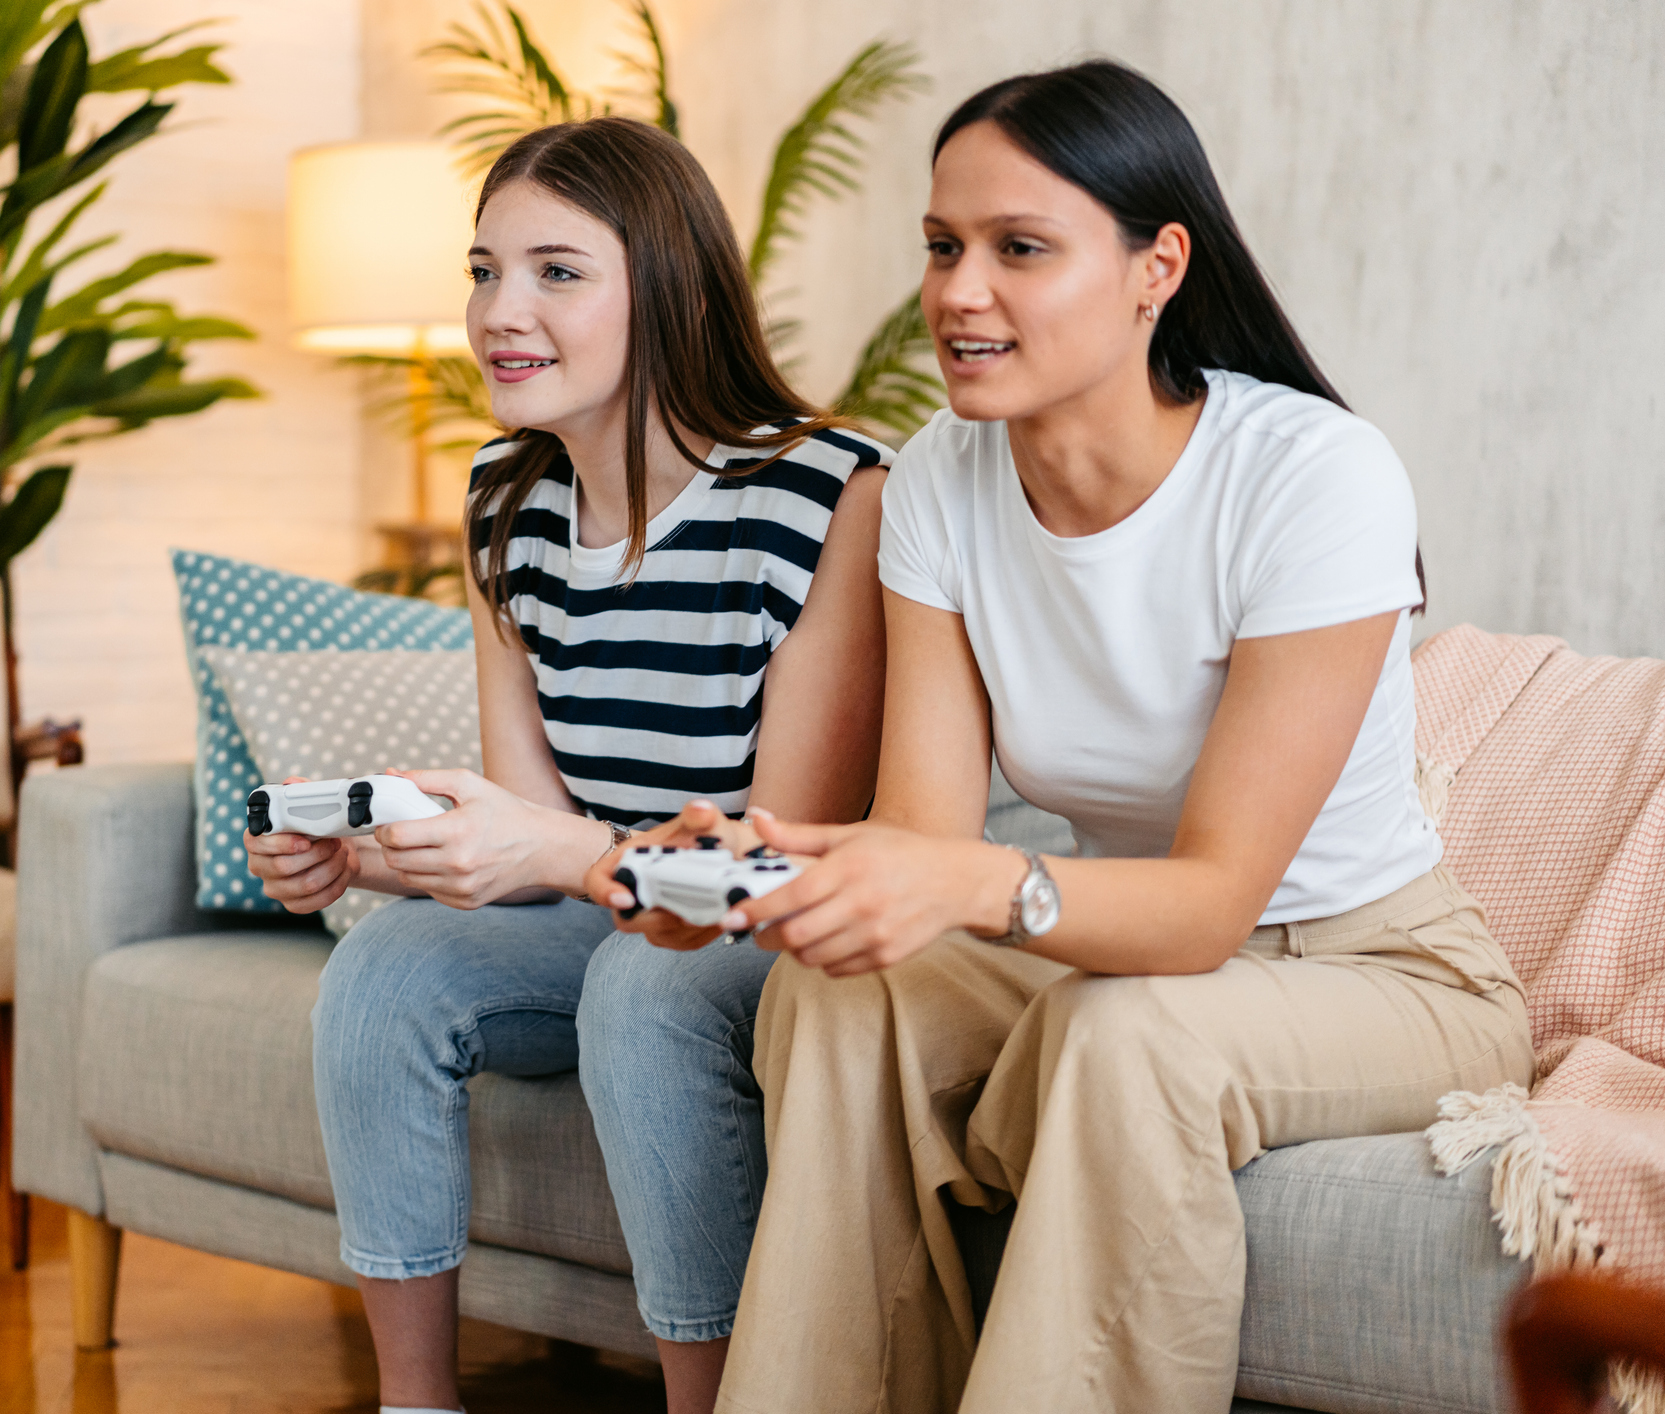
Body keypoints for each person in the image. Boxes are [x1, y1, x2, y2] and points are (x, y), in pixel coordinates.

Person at [587, 61, 1534, 1414]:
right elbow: (924, 841)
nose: (958, 292)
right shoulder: (933, 483)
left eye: (1017, 250)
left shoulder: (1312, 475)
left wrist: (969, 886)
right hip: (1106, 948)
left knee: (1126, 1036)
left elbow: (1209, 906)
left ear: (1156, 266)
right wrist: (763, 875)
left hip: (1375, 972)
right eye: (941, 247)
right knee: (837, 991)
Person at [246, 115, 892, 1414]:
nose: (499, 309)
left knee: (646, 992)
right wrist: (371, 854)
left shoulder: (827, 493)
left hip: (775, 924)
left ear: (672, 287)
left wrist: (547, 852)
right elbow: (531, 830)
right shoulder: (505, 499)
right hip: (600, 907)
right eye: (483, 269)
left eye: (555, 269)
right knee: (383, 962)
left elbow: (773, 862)